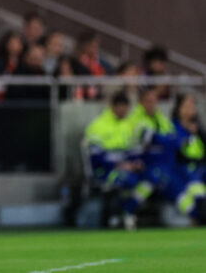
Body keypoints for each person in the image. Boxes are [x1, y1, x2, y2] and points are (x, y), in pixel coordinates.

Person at [129, 88, 206, 223]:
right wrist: (176, 140)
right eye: (148, 101)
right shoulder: (137, 119)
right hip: (144, 163)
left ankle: (198, 216)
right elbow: (160, 140)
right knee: (160, 178)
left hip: (170, 166)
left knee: (187, 188)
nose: (152, 104)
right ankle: (126, 211)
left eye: (154, 101)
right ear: (140, 102)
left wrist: (176, 140)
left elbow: (170, 141)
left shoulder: (162, 119)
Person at [84, 91, 149, 229]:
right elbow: (94, 157)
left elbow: (133, 150)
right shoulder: (98, 125)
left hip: (126, 169)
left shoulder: (129, 125)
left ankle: (126, 211)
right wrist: (118, 164)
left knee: (150, 179)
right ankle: (115, 214)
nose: (123, 111)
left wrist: (135, 162)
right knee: (126, 180)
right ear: (112, 107)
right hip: (104, 170)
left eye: (126, 108)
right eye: (120, 107)